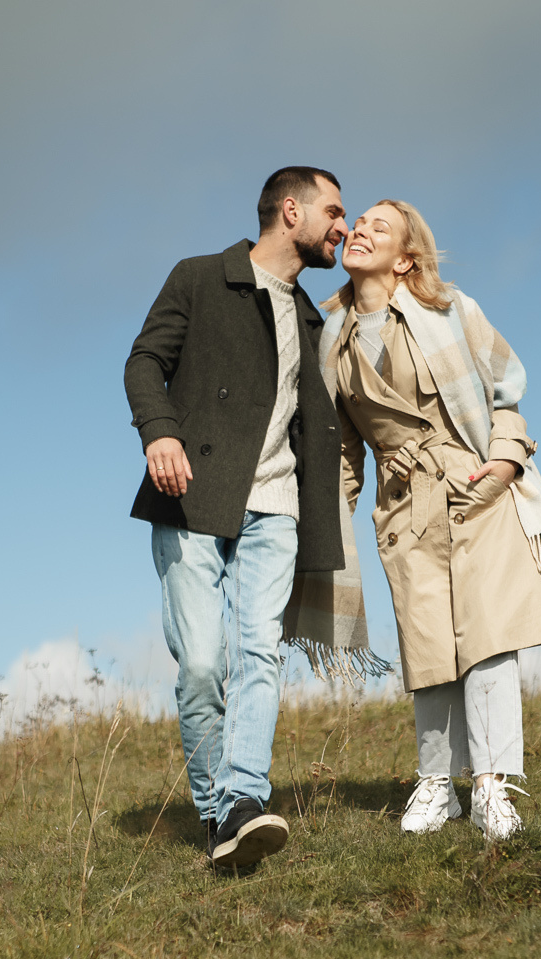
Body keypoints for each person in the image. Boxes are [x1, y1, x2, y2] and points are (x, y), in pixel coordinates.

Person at [125, 168, 349, 868]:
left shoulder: (313, 318)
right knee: (199, 665)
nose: (342, 226)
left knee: (257, 653)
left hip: (276, 505)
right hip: (192, 487)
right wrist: (159, 431)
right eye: (334, 212)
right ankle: (215, 811)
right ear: (291, 211)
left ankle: (242, 800)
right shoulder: (199, 277)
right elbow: (143, 362)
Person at [322, 200, 541, 840]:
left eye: (380, 225)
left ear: (406, 258)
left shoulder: (450, 310)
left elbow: (506, 389)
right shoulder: (334, 339)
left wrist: (508, 462)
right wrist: (328, 521)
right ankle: (438, 785)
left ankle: (489, 786)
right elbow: (345, 446)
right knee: (428, 646)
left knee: (488, 641)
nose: (361, 229)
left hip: (476, 486)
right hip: (404, 501)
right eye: (359, 221)